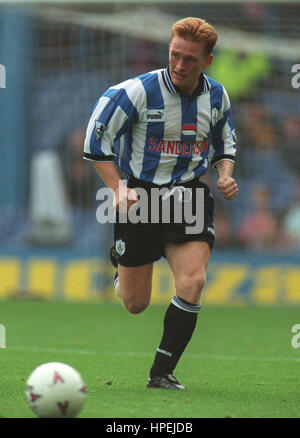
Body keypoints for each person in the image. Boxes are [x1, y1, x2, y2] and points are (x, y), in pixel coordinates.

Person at [83, 17, 238, 390]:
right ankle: (121, 265)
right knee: (135, 303)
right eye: (175, 55)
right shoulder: (133, 92)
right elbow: (95, 144)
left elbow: (225, 143)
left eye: (189, 59)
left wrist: (225, 173)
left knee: (193, 280)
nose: (180, 65)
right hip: (140, 198)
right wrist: (118, 189)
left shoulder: (217, 96)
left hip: (188, 197)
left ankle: (161, 373)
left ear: (207, 61)